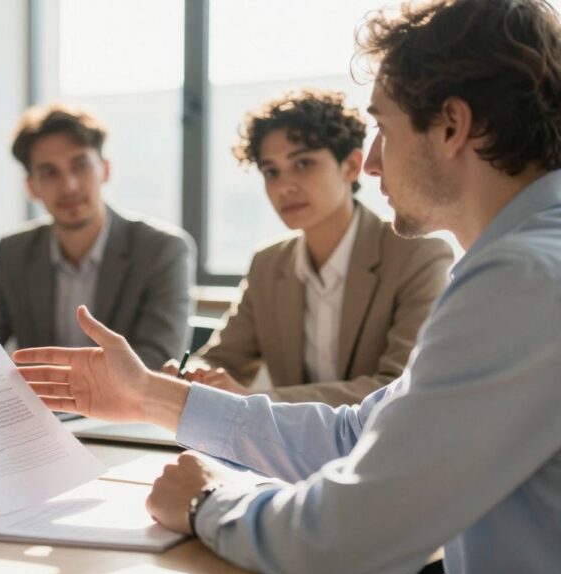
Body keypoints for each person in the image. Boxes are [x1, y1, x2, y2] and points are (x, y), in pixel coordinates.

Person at [14, 0, 561, 573]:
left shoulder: (521, 282)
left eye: (382, 126)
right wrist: (148, 395)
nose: (373, 162)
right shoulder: (522, 265)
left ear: (452, 125)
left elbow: (341, 539)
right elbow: (354, 433)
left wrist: (205, 503)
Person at [162, 90, 452, 405]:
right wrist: (194, 374)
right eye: (271, 171)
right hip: (285, 437)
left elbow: (399, 386)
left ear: (351, 165)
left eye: (303, 163)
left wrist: (257, 399)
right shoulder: (268, 263)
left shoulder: (418, 256)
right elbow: (223, 359)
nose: (284, 186)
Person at [0, 104, 195, 369]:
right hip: (39, 396)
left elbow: (156, 362)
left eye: (80, 166)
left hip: (117, 399)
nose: (68, 186)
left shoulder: (162, 250)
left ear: (105, 170)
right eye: (49, 172)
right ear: (31, 187)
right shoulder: (14, 251)